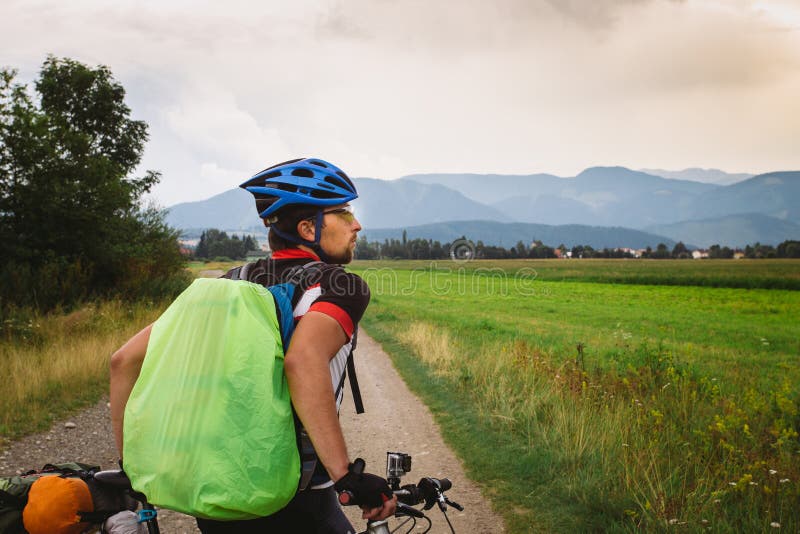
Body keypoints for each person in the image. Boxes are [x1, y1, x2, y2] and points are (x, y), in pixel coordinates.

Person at [110, 158, 397, 533]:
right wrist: (346, 476)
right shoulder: (339, 285)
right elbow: (303, 360)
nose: (356, 224)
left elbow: (123, 361)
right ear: (309, 227)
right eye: (343, 213)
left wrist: (132, 467)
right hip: (296, 497)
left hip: (218, 491)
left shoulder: (228, 283)